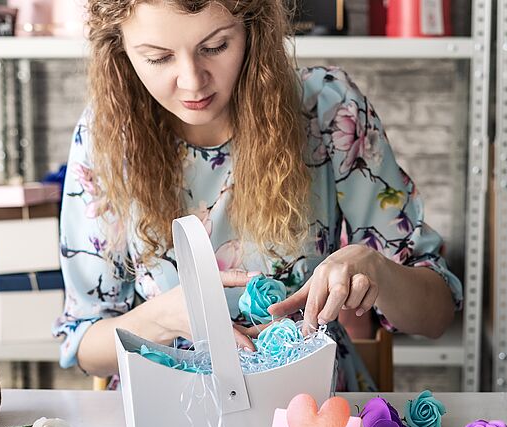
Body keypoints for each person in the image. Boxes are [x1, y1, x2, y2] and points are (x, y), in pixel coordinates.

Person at [54, 0, 463, 391]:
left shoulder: (327, 109)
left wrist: (376, 268)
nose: (193, 80)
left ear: (253, 28)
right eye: (158, 58)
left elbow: (436, 315)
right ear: (119, 46)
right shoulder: (106, 138)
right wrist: (162, 319)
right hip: (167, 421)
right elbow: (84, 345)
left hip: (312, 412)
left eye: (215, 46)